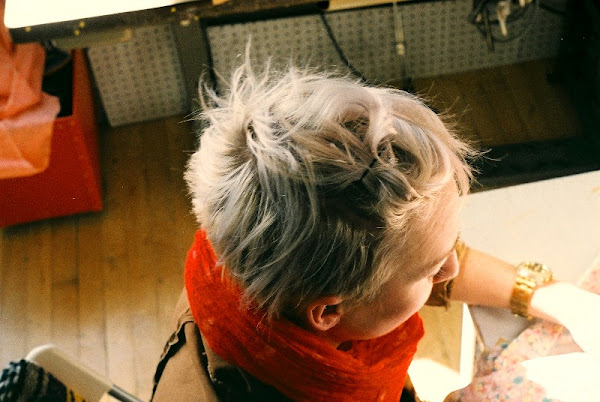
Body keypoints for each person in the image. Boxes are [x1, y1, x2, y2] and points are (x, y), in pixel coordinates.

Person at [151, 59, 600, 401]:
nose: (452, 267)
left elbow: (410, 255)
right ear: (328, 311)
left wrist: (559, 300)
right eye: (430, 270)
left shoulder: (253, 261)